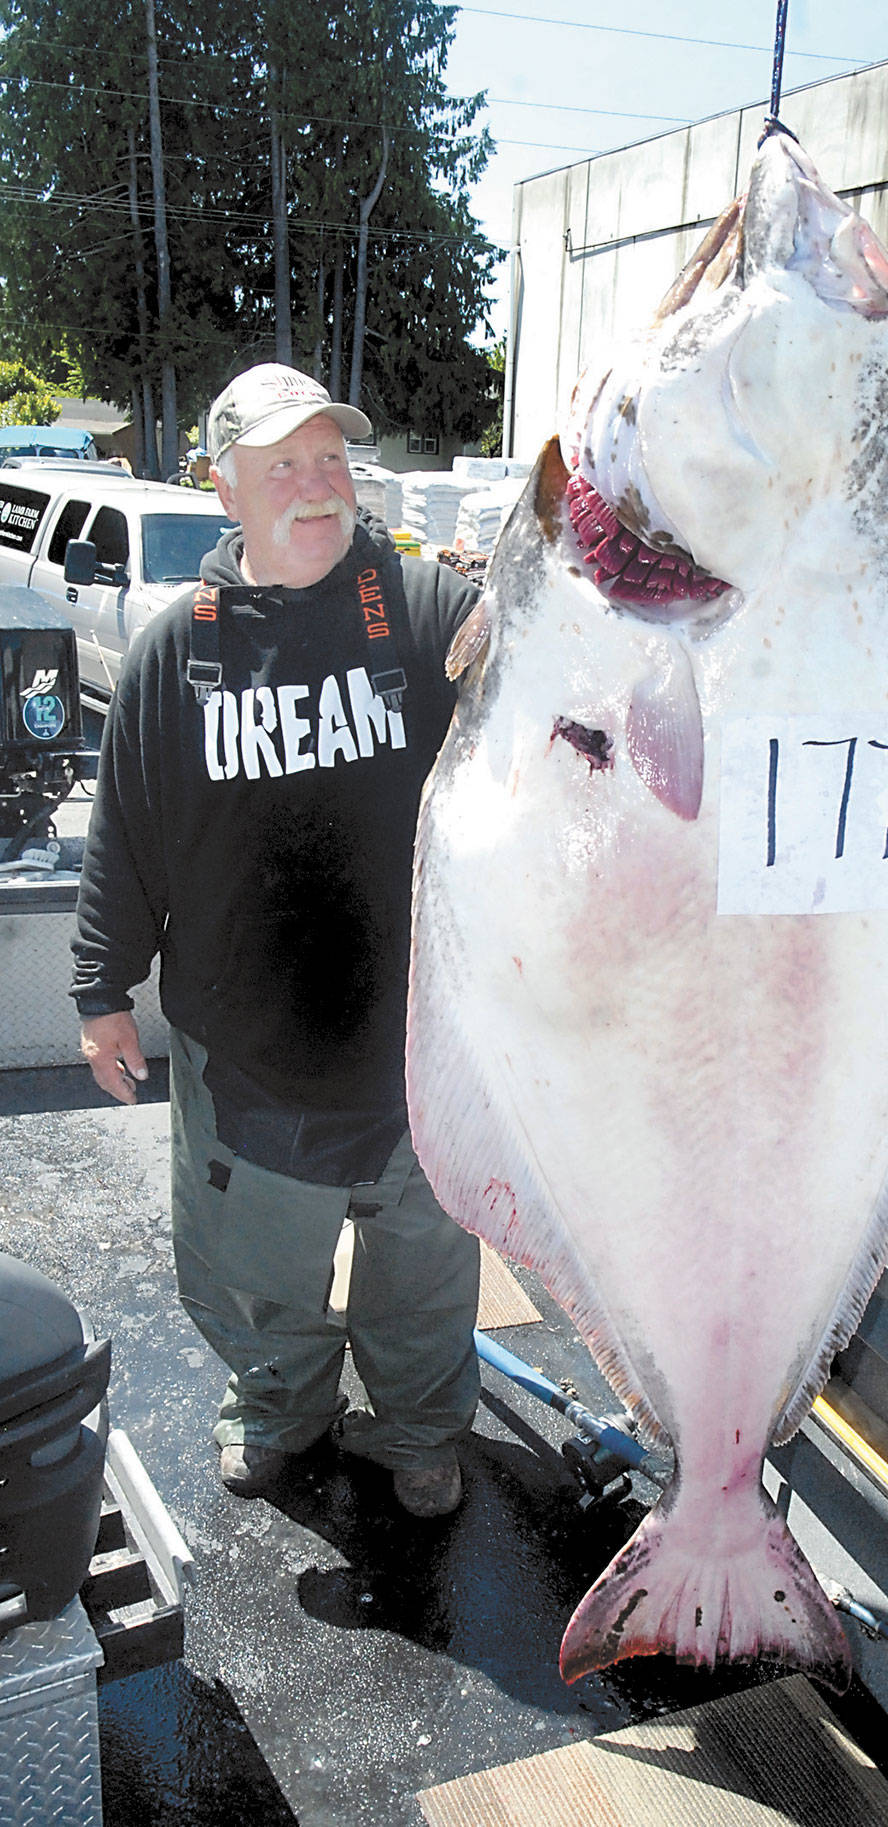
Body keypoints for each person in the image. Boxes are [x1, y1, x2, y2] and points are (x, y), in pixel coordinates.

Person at [72, 364, 482, 1519]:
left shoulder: (422, 611)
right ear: (226, 490)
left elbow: (555, 678)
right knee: (255, 1281)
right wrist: (102, 992)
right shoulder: (173, 656)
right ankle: (279, 1410)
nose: (316, 487)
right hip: (245, 1053)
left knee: (425, 1277)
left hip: (418, 1055)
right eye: (283, 466)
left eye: (332, 460)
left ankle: (419, 1431)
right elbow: (126, 841)